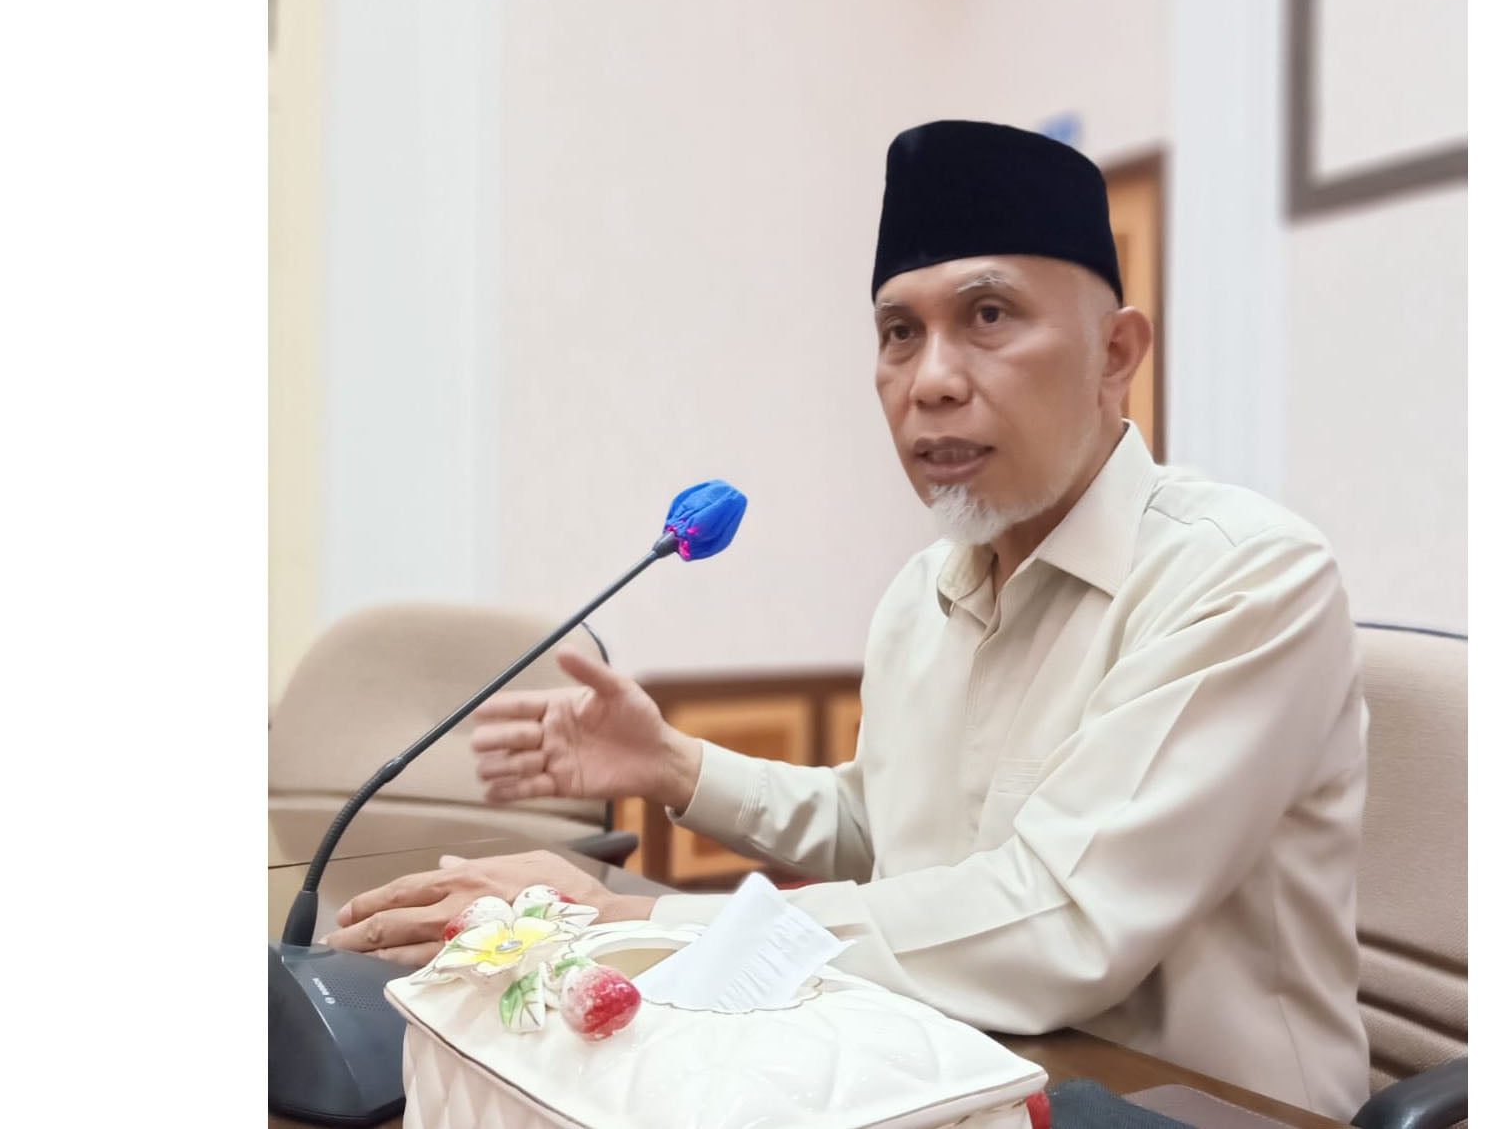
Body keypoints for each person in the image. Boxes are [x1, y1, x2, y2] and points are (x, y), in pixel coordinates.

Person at [325, 120, 1371, 1117]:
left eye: (990, 316)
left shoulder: (1243, 577)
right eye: (899, 333)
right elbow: (889, 833)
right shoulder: (924, 591)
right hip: (949, 1075)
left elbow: (1059, 921)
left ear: (1115, 353)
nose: (933, 381)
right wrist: (675, 766)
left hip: (1192, 1109)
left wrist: (629, 920)